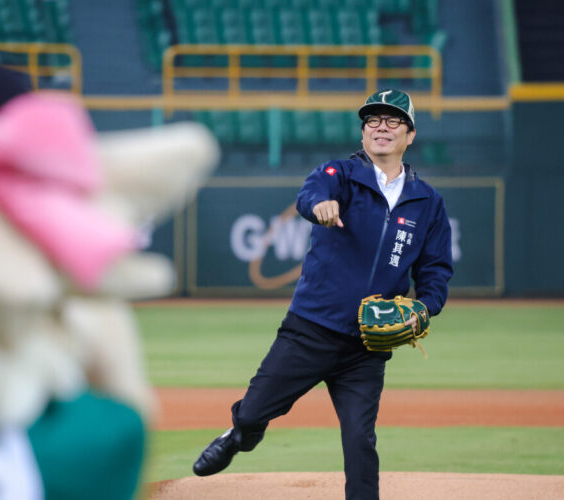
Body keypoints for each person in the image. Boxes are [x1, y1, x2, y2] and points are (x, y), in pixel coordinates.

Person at [192, 89, 453, 499]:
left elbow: (435, 270)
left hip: (366, 346)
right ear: (364, 132)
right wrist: (321, 206)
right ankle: (239, 435)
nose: (381, 127)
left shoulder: (427, 203)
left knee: (360, 440)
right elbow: (310, 194)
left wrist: (425, 307)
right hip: (310, 330)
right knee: (256, 411)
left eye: (393, 120)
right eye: (373, 120)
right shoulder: (341, 175)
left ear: (410, 134)